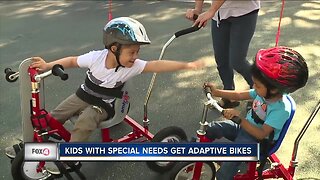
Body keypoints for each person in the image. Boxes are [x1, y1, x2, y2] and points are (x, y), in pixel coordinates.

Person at [5, 17, 205, 170]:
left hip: (104, 106)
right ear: (113, 48)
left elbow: (156, 65)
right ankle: (27, 147)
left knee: (85, 122)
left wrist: (186, 65)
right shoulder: (95, 58)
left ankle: (68, 157)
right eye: (132, 52)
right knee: (54, 115)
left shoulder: (132, 66)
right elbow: (73, 61)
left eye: (137, 52)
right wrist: (49, 65)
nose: (136, 57)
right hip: (83, 95)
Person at [203, 46, 308, 180]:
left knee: (230, 161)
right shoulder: (263, 93)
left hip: (258, 142)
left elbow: (261, 134)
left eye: (257, 85)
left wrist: (239, 119)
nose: (254, 87)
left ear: (274, 90)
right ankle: (195, 151)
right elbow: (239, 95)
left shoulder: (280, 110)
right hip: (245, 129)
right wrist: (216, 92)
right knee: (215, 127)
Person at [186, 0, 260, 109]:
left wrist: (211, 10)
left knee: (237, 61)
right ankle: (229, 95)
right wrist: (197, 9)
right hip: (219, 15)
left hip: (244, 12)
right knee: (222, 59)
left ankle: (260, 93)